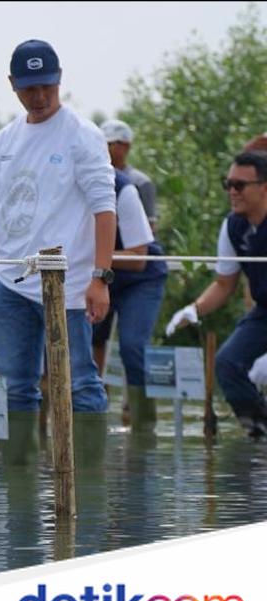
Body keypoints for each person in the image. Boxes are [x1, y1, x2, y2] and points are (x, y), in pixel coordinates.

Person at [0, 39, 116, 454]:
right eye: (29, 88)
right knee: (16, 386)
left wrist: (100, 277)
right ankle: (19, 482)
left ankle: (90, 485)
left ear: (59, 80)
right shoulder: (4, 141)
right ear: (12, 85)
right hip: (8, 281)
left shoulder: (83, 135)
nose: (39, 97)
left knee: (81, 380)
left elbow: (104, 209)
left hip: (69, 283)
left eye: (46, 86)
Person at [164, 151, 267, 441]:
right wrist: (193, 309)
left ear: (264, 187)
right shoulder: (233, 226)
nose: (232, 192)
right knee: (227, 363)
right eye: (228, 184)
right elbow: (224, 284)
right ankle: (259, 434)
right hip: (264, 311)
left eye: (240, 185)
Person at [91, 128, 168, 434]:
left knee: (132, 346)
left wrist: (91, 260)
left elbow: (138, 256)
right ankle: (92, 418)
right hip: (102, 275)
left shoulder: (126, 187)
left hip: (141, 278)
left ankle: (143, 427)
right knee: (86, 341)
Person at [101, 120, 157, 230]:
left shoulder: (140, 182)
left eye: (109, 144)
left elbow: (150, 226)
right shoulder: (95, 178)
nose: (104, 148)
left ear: (126, 146)